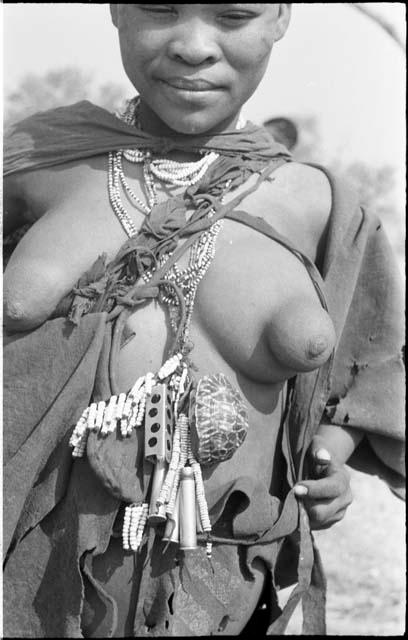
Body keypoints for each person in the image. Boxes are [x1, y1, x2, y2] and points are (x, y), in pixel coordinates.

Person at [3, 4, 404, 637]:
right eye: (160, 9)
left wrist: (329, 456)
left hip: (231, 592)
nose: (193, 45)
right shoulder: (33, 168)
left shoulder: (319, 205)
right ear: (115, 9)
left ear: (279, 17)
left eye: (234, 15)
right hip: (32, 589)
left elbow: (360, 376)